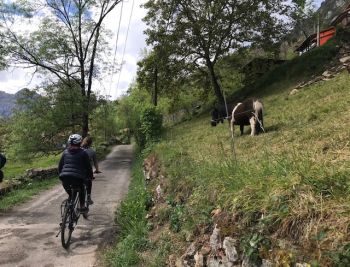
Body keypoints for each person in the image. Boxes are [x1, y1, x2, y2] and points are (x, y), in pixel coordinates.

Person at [58, 134, 93, 212]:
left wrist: (60, 176)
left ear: (69, 143)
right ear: (80, 142)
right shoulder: (83, 153)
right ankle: (82, 207)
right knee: (82, 189)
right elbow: (88, 167)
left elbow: (60, 166)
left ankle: (69, 207)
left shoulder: (65, 152)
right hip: (77, 179)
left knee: (70, 194)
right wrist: (90, 176)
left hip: (65, 178)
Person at [81, 136, 100, 205]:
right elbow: (95, 162)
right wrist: (97, 170)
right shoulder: (92, 151)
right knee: (89, 181)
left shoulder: (79, 149)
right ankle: (88, 197)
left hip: (77, 170)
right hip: (86, 171)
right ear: (91, 143)